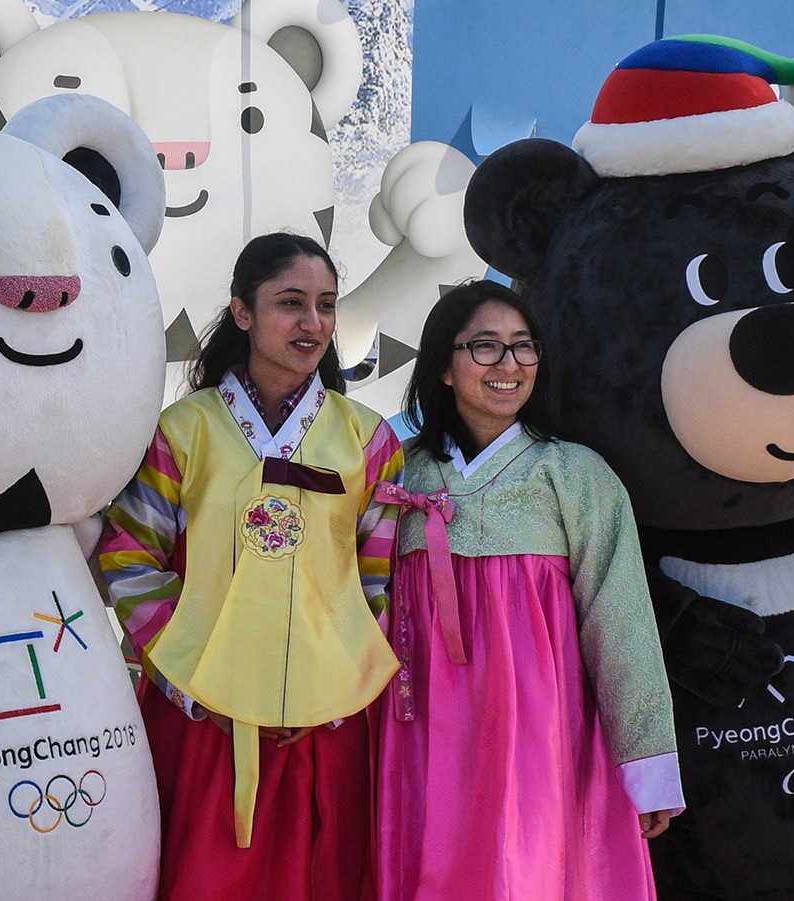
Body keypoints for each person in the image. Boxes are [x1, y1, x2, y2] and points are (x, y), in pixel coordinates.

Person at [98, 232, 404, 901]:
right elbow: (127, 558)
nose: (313, 323)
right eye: (290, 303)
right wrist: (196, 677)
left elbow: (378, 582)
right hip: (203, 715)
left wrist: (339, 677)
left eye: (326, 305)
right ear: (242, 312)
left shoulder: (368, 440)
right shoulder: (181, 431)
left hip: (327, 721)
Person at [375, 280, 683, 900]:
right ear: (442, 365)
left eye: (524, 347)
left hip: (540, 731)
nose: (509, 364)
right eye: (485, 347)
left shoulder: (575, 475)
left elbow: (619, 622)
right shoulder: (397, 473)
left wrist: (645, 763)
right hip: (421, 726)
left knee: (530, 867)